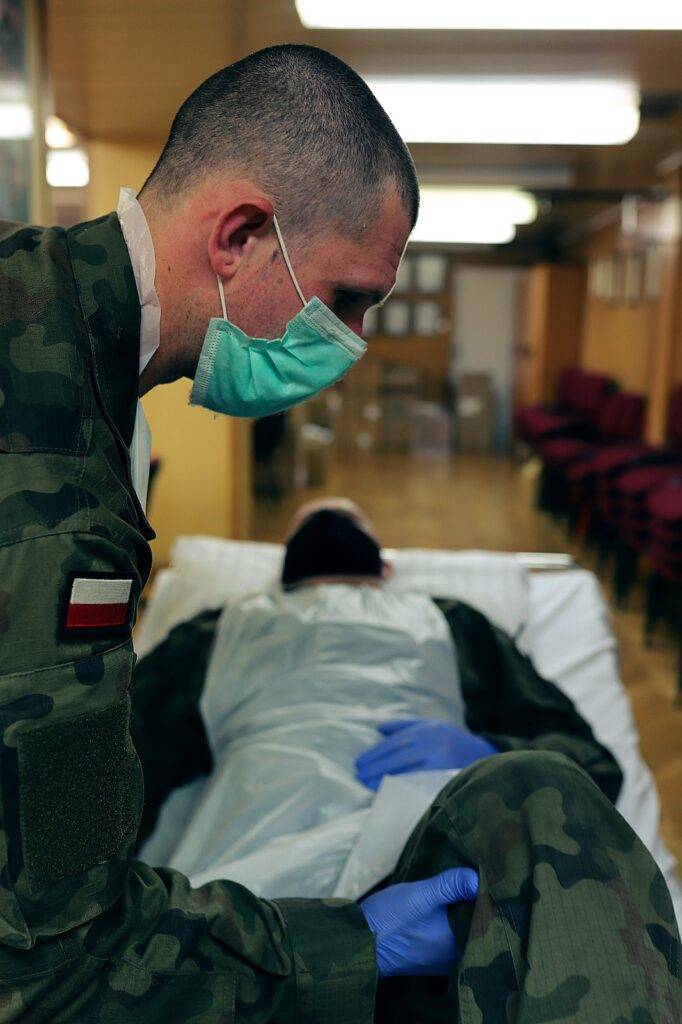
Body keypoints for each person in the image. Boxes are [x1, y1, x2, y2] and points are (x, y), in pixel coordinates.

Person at [0, 43, 487, 1022]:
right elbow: (50, 957)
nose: (350, 343)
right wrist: (343, 947)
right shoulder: (51, 458)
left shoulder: (51, 323)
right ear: (241, 235)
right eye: (346, 299)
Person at [130, 498, 680, 1021]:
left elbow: (588, 762)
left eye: (348, 517)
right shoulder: (215, 630)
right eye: (314, 518)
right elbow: (124, 769)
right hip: (258, 896)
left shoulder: (453, 622)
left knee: (541, 780)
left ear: (387, 568)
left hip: (425, 868)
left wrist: (490, 751)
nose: (330, 515)